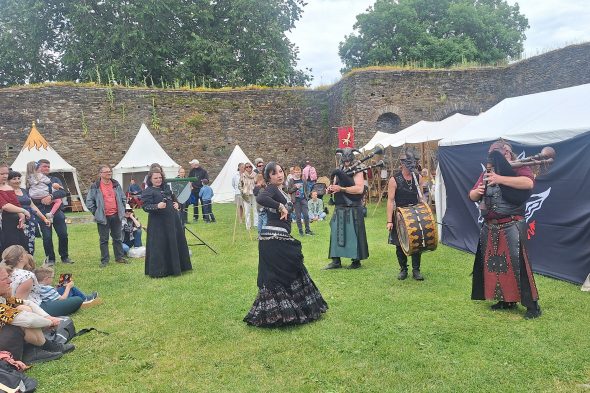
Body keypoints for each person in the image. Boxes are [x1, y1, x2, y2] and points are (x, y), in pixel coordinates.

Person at [244, 162, 327, 327]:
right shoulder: (272, 188)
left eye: (280, 171)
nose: (279, 175)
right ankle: (280, 313)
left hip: (277, 238)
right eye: (274, 173)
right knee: (285, 272)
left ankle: (291, 309)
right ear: (268, 177)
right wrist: (280, 205)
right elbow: (260, 198)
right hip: (274, 239)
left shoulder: (280, 189)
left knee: (289, 271)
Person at [468, 140, 542, 319]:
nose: (503, 156)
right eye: (498, 154)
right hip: (490, 225)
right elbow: (471, 195)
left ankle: (532, 306)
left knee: (520, 265)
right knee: (496, 265)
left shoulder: (519, 168)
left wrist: (499, 179)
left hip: (512, 223)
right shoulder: (486, 172)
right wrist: (478, 191)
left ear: (510, 153)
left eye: (505, 153)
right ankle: (505, 300)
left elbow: (528, 183)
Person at [0, 264, 72, 363]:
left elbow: (28, 302)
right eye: (4, 279)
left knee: (24, 308)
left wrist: (48, 317)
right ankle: (42, 347)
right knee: (22, 319)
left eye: (8, 277)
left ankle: (35, 348)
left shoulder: (3, 298)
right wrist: (49, 322)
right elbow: (29, 321)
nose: (10, 281)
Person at [3, 245, 83, 317]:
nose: (27, 254)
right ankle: (81, 298)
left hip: (34, 302)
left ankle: (82, 296)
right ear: (21, 258)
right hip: (37, 308)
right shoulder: (26, 276)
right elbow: (19, 302)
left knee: (61, 289)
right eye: (25, 253)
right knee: (77, 300)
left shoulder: (4, 272)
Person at [323, 148, 369, 270]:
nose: (347, 162)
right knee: (336, 232)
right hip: (340, 206)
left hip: (353, 206)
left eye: (349, 159)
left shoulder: (358, 169)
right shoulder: (340, 169)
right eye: (345, 159)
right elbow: (335, 184)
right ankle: (336, 261)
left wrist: (341, 189)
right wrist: (330, 189)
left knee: (353, 233)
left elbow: (359, 189)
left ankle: (356, 261)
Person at [142, 170, 192, 278]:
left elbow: (174, 199)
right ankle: (160, 271)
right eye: (155, 178)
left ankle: (177, 268)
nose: (158, 180)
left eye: (160, 177)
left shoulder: (166, 188)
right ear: (150, 180)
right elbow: (145, 207)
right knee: (160, 246)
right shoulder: (148, 191)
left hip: (172, 221)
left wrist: (176, 204)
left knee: (174, 243)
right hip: (158, 224)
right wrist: (156, 206)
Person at [387, 150, 425, 281]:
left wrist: (424, 209)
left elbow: (421, 197)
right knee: (400, 243)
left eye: (413, 162)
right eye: (408, 162)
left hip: (415, 214)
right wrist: (389, 221)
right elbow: (391, 200)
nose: (411, 165)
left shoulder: (418, 177)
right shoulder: (394, 179)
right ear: (402, 163)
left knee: (417, 241)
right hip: (400, 215)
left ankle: (416, 270)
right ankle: (403, 269)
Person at [27, 159, 73, 266]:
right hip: (41, 212)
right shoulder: (32, 180)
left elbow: (62, 192)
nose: (47, 168)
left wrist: (51, 196)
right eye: (44, 166)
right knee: (47, 237)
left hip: (56, 211)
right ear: (38, 168)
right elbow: (30, 196)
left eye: (48, 166)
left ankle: (65, 257)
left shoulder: (54, 179)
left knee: (63, 234)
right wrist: (41, 199)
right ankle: (50, 258)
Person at [86, 164, 127, 268]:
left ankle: (119, 257)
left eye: (110, 171)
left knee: (117, 238)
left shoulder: (115, 184)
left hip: (116, 215)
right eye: (106, 172)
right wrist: (96, 213)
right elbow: (89, 201)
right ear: (100, 174)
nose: (109, 173)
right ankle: (105, 260)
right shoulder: (95, 186)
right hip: (103, 217)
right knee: (104, 240)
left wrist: (122, 208)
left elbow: (123, 197)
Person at [8, 170, 50, 255]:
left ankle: (28, 263)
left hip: (30, 221)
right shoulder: (7, 192)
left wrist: (44, 218)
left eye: (19, 178)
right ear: (8, 181)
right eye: (14, 179)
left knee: (30, 243)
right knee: (17, 245)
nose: (17, 181)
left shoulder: (24, 191)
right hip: (15, 222)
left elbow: (33, 206)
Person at [34, 266, 100, 308]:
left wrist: (57, 288)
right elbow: (62, 299)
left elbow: (50, 294)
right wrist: (68, 287)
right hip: (57, 303)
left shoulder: (37, 286)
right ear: (46, 278)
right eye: (52, 277)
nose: (53, 279)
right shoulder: (48, 288)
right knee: (70, 288)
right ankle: (85, 299)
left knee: (63, 288)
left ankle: (84, 297)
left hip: (50, 301)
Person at [0, 163, 30, 254]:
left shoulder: (8, 187)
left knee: (20, 247)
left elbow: (16, 203)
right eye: (2, 174)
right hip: (3, 223)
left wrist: (22, 217)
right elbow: (4, 205)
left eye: (6, 173)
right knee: (7, 248)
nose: (5, 176)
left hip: (13, 223)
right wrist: (23, 211)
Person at [287, 166, 313, 236]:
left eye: (299, 172)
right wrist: (296, 187)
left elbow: (307, 189)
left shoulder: (303, 180)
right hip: (296, 200)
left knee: (306, 215)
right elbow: (289, 190)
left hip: (303, 199)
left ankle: (307, 230)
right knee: (298, 216)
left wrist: (306, 196)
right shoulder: (291, 181)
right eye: (296, 172)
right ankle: (300, 230)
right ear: (294, 172)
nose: (298, 173)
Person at [239, 162, 258, 230]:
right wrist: (242, 191)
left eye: (250, 166)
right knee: (247, 210)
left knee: (255, 209)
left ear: (252, 167)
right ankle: (248, 226)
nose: (248, 168)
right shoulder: (243, 175)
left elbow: (257, 183)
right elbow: (240, 185)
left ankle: (256, 224)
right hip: (246, 193)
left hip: (254, 193)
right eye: (247, 167)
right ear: (245, 168)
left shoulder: (255, 174)